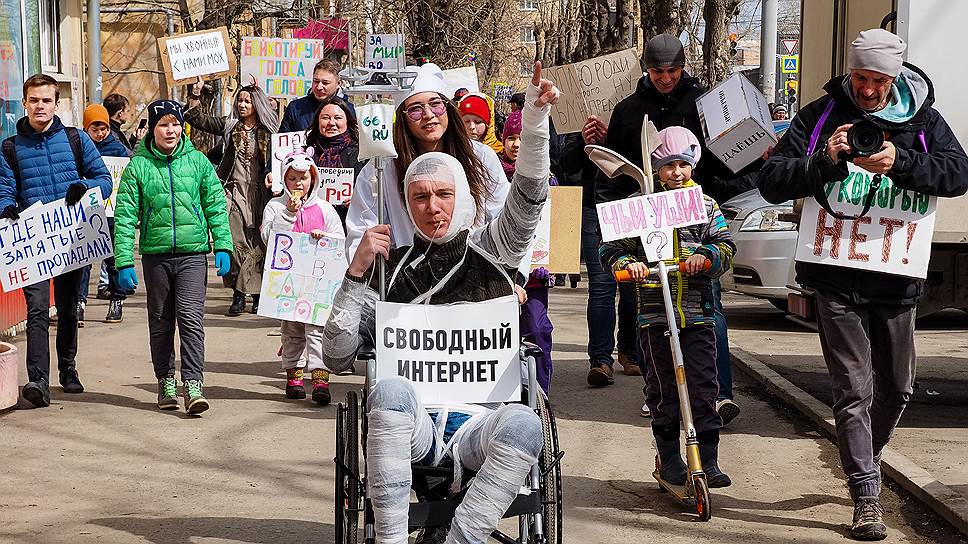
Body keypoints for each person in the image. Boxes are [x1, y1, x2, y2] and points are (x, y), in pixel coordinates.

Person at [322, 63, 558, 544]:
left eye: (444, 195)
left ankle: (462, 539)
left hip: (479, 424)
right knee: (386, 394)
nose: (433, 207)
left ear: (464, 198)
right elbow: (336, 354)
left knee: (525, 423)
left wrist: (534, 121)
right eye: (421, 197)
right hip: (416, 426)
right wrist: (356, 273)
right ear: (407, 204)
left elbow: (530, 196)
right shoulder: (392, 270)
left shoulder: (492, 254)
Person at [758, 29, 968, 540]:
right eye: (860, 77)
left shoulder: (923, 120)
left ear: (894, 78)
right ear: (849, 72)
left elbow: (958, 173)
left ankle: (864, 455)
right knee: (853, 387)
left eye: (877, 80)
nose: (868, 89)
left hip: (895, 278)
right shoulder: (819, 115)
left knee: (896, 387)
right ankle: (865, 492)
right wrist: (825, 161)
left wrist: (902, 162)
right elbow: (772, 179)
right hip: (834, 274)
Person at [597, 33, 742, 423]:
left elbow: (725, 157)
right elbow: (614, 169)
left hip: (696, 221)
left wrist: (752, 158)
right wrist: (616, 213)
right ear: (646, 68)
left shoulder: (702, 103)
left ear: (683, 67)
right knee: (650, 312)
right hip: (645, 222)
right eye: (658, 71)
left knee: (708, 310)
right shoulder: (628, 110)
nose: (665, 78)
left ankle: (718, 394)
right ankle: (658, 390)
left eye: (673, 70)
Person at [601, 126, 735, 490]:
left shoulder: (705, 205)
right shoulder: (641, 205)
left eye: (683, 164)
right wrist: (628, 264)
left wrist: (705, 258)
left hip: (697, 313)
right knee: (662, 389)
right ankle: (670, 456)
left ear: (693, 165)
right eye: (668, 165)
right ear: (656, 169)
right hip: (654, 315)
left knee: (705, 386)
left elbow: (724, 245)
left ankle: (708, 458)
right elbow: (610, 249)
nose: (676, 172)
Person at [113, 99, 233, 414]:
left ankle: (193, 385)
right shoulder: (138, 166)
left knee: (191, 320)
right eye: (163, 124)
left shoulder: (198, 162)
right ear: (153, 128)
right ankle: (166, 381)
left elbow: (216, 206)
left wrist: (223, 244)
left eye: (175, 124)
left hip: (193, 255)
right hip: (156, 256)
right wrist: (124, 261)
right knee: (161, 322)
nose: (171, 130)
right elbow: (125, 217)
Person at [0, 74, 113, 407]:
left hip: (71, 241)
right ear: (25, 103)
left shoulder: (76, 140)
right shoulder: (10, 147)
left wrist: (85, 187)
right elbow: (4, 188)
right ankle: (38, 380)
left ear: (55, 103)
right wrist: (6, 207)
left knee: (67, 309)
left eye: (46, 100)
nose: (40, 106)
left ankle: (68, 368)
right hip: (33, 244)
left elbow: (104, 180)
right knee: (37, 309)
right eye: (34, 100)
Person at [345, 62, 510, 258]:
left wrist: (511, 277)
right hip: (408, 280)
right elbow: (361, 233)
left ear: (447, 108)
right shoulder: (380, 170)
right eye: (416, 109)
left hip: (473, 275)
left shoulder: (481, 158)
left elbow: (504, 219)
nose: (428, 115)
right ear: (403, 118)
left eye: (435, 104)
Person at [559, 119, 642, 387]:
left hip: (631, 207)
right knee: (602, 286)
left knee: (632, 285)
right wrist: (585, 143)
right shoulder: (578, 119)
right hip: (593, 208)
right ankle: (600, 359)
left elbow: (646, 158)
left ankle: (629, 352)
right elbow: (565, 164)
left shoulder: (630, 111)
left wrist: (612, 138)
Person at [185, 83, 279, 316]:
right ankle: (238, 294)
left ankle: (257, 295)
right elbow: (197, 119)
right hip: (232, 191)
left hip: (261, 194)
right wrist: (196, 94)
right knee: (234, 243)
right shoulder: (229, 126)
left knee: (258, 243)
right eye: (240, 100)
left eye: (247, 101)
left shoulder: (272, 131)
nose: (243, 104)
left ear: (257, 104)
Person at [261, 149, 344, 405]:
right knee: (292, 331)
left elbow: (340, 240)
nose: (299, 184)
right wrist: (287, 214)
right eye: (293, 179)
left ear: (313, 179)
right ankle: (294, 376)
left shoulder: (325, 208)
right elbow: (269, 239)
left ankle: (320, 378)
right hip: (288, 283)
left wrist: (324, 237)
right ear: (284, 181)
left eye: (304, 178)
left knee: (318, 330)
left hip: (317, 282)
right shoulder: (275, 206)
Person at [499, 109, 555, 392]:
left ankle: (538, 392)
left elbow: (555, 227)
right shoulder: (492, 175)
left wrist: (551, 261)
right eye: (511, 137)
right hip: (497, 275)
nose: (518, 144)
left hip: (534, 277)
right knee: (500, 334)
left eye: (524, 137)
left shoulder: (548, 180)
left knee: (537, 329)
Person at [77, 104, 130, 325]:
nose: (100, 133)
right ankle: (78, 303)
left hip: (111, 214)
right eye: (95, 129)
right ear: (86, 128)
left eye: (104, 129)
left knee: (113, 260)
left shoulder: (118, 150)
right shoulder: (80, 148)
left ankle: (117, 300)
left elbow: (127, 177)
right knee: (82, 261)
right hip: (86, 213)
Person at [302, 96, 366, 225]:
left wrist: (357, 198)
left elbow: (370, 192)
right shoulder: (306, 154)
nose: (331, 123)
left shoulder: (360, 154)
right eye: (325, 118)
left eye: (337, 118)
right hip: (312, 223)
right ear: (317, 121)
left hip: (349, 224)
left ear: (347, 121)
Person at [279, 59, 354, 133]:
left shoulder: (349, 110)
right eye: (316, 81)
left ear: (338, 83)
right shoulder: (295, 108)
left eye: (325, 83)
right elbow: (282, 141)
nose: (319, 87)